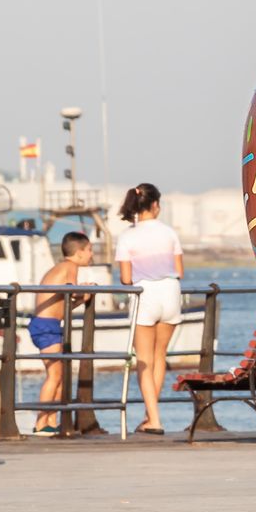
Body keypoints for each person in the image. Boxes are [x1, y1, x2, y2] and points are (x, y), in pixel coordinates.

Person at [115, 183, 184, 436]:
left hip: (145, 294)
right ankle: (149, 415)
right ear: (155, 205)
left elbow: (125, 277)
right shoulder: (169, 233)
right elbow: (180, 271)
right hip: (170, 291)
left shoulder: (127, 236)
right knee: (159, 357)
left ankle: (154, 419)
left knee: (143, 360)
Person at [27, 231, 94, 435]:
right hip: (46, 326)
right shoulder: (69, 267)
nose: (91, 255)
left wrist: (82, 299)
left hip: (49, 324)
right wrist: (84, 291)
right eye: (90, 250)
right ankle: (40, 423)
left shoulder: (61, 267)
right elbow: (72, 292)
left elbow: (65, 305)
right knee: (54, 375)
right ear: (80, 252)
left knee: (59, 376)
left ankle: (52, 421)